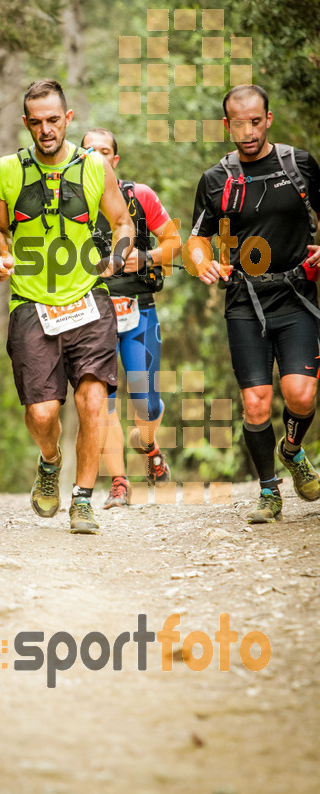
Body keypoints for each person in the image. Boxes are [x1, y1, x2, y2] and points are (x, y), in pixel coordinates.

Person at [0, 80, 134, 534]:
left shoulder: (94, 166)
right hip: (31, 302)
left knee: (93, 401)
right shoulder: (6, 170)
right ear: (26, 123)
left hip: (89, 298)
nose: (46, 129)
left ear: (67, 118)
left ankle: (83, 498)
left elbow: (122, 220)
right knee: (43, 413)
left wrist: (119, 253)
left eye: (54, 120)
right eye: (37, 122)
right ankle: (50, 460)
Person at [188, 84, 320, 523]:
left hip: (297, 294)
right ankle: (268, 491)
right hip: (245, 299)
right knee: (257, 402)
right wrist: (203, 262)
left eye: (255, 120)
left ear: (268, 118)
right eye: (238, 123)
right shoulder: (216, 179)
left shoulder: (298, 164)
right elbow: (196, 240)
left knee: (299, 394)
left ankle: (292, 449)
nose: (247, 131)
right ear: (227, 124)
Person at [81, 128, 181, 508]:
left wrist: (147, 257)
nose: (98, 157)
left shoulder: (140, 197)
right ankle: (119, 483)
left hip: (139, 313)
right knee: (101, 403)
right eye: (90, 151)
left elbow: (177, 244)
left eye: (105, 151)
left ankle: (150, 445)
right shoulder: (71, 202)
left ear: (115, 160)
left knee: (147, 405)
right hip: (91, 315)